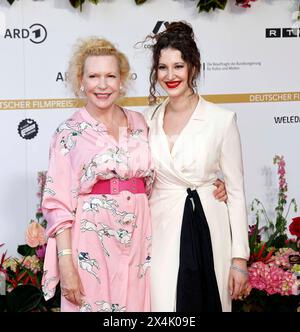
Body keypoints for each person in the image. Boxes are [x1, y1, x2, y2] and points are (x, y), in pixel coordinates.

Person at [41, 37, 155, 312]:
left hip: (141, 239)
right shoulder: (68, 133)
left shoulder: (141, 122)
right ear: (81, 80)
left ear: (122, 80)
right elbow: (58, 205)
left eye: (110, 76)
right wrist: (66, 262)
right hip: (92, 241)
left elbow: (166, 172)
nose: (102, 85)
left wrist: (211, 183)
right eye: (93, 76)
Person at [144, 21, 250, 312]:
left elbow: (237, 192)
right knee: (164, 306)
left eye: (178, 66)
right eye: (162, 68)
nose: (170, 76)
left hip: (208, 225)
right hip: (160, 228)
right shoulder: (146, 119)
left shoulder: (221, 120)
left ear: (192, 66)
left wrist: (239, 258)